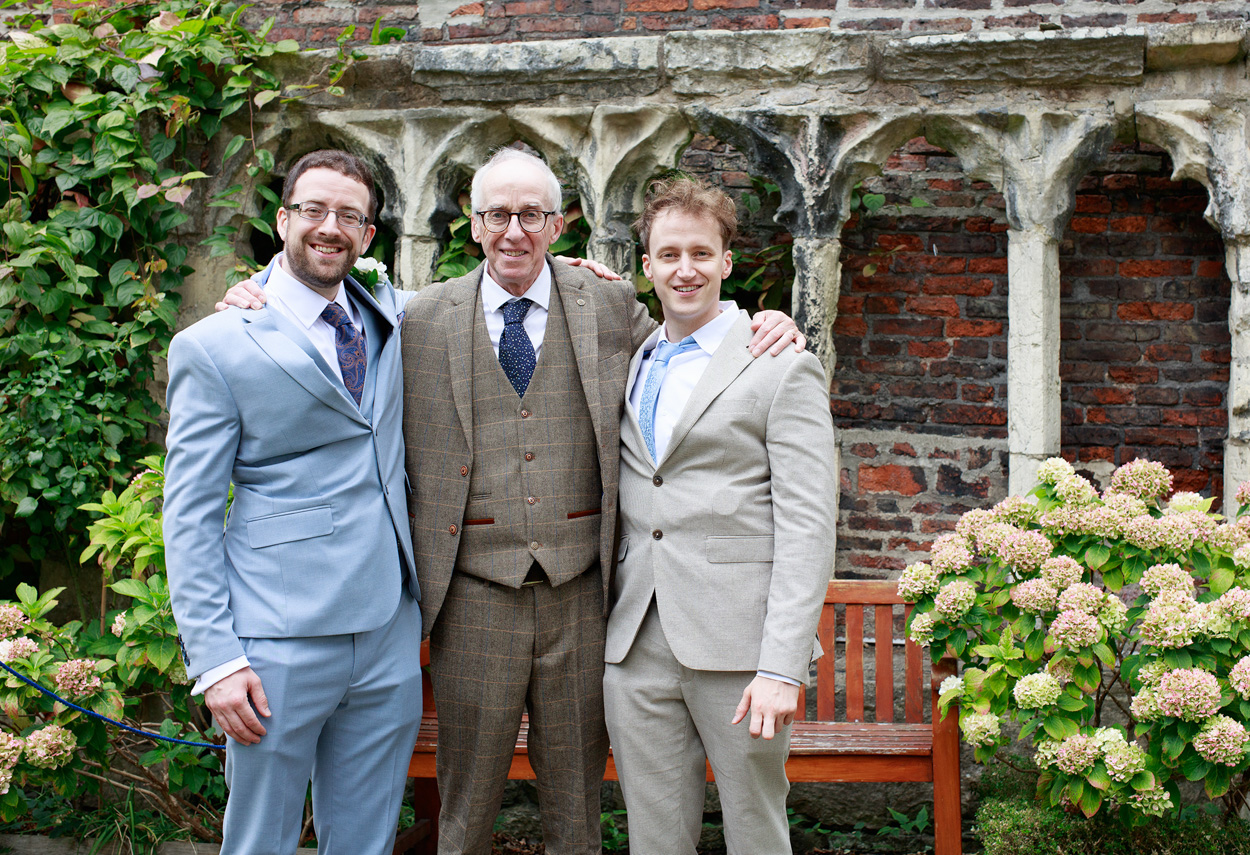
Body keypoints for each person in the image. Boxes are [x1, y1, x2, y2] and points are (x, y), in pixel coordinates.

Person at [217, 147, 803, 855]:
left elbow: (695, 352)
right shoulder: (417, 318)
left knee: (577, 810)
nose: (514, 230)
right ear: (473, 223)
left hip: (582, 602)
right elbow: (320, 286)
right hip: (473, 603)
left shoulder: (610, 305)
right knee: (463, 813)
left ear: (560, 225)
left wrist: (766, 326)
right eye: (498, 214)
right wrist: (255, 289)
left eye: (531, 214)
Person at [163, 150, 424, 855]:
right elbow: (187, 513)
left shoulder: (391, 315)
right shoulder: (214, 345)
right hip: (276, 639)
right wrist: (216, 659)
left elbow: (487, 296)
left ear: (369, 236)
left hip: (386, 633)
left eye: (349, 215)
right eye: (313, 209)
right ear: (283, 220)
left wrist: (578, 275)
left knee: (367, 839)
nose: (329, 226)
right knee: (260, 841)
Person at [603, 176, 837, 855]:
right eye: (668, 254)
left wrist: (782, 667)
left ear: (727, 262)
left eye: (701, 253)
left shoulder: (779, 365)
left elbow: (808, 525)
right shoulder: (632, 356)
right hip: (636, 639)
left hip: (740, 649)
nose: (685, 269)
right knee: (653, 836)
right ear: (645, 265)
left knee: (755, 829)